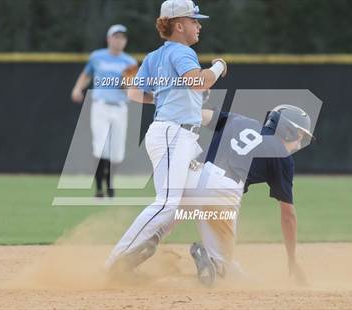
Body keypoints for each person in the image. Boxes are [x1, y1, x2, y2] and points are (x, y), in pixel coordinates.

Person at [104, 0, 228, 271]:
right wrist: (218, 66)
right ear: (178, 25)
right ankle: (114, 263)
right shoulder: (182, 53)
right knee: (168, 203)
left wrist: (165, 97)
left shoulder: (154, 57)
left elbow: (135, 94)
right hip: (174, 135)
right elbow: (201, 81)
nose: (199, 25)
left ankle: (148, 244)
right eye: (194, 20)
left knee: (194, 195)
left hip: (176, 135)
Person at [180, 104, 314, 286]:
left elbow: (204, 115)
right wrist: (292, 259)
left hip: (190, 178)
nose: (299, 144)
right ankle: (212, 259)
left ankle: (132, 257)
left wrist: (175, 109)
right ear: (287, 130)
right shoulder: (282, 156)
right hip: (221, 193)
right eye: (299, 137)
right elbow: (288, 216)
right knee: (221, 270)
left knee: (161, 220)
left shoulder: (243, 121)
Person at [71, 24, 137, 198]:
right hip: (101, 106)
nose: (119, 40)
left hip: (120, 108)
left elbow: (129, 89)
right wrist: (77, 88)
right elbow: (87, 75)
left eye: (122, 37)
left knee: (116, 152)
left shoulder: (129, 61)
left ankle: (111, 182)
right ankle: (100, 188)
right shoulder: (97, 57)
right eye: (116, 36)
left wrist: (126, 84)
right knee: (100, 147)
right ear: (109, 39)